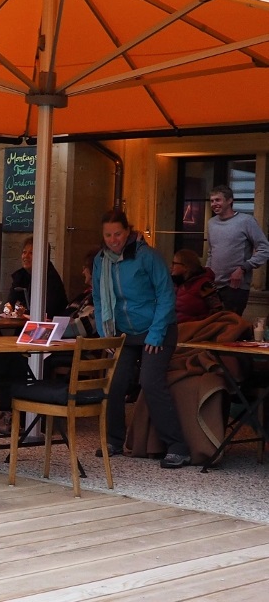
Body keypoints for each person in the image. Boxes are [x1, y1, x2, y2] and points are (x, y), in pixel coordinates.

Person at [93, 209, 190, 468]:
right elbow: (99, 298)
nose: (113, 239)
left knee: (150, 382)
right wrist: (106, 336)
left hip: (157, 329)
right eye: (108, 235)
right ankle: (113, 440)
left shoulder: (148, 256)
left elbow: (166, 295)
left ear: (128, 231)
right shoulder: (101, 260)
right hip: (123, 333)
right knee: (113, 384)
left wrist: (157, 333)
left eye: (118, 234)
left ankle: (177, 446)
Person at [204, 184, 269, 316]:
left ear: (229, 200)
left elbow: (264, 249)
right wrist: (206, 275)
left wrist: (243, 268)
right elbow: (211, 252)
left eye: (218, 200)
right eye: (212, 201)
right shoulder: (211, 223)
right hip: (214, 286)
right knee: (211, 326)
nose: (214, 204)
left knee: (230, 326)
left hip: (236, 286)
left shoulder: (246, 221)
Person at [8, 236, 68, 320]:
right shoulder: (21, 275)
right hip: (23, 325)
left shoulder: (50, 279)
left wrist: (23, 312)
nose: (26, 256)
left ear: (43, 256)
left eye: (31, 253)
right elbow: (11, 304)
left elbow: (48, 312)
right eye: (24, 252)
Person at [172, 249, 221, 323]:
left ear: (186, 267)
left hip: (193, 328)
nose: (171, 266)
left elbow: (217, 310)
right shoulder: (176, 282)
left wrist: (200, 322)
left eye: (174, 263)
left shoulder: (205, 284)